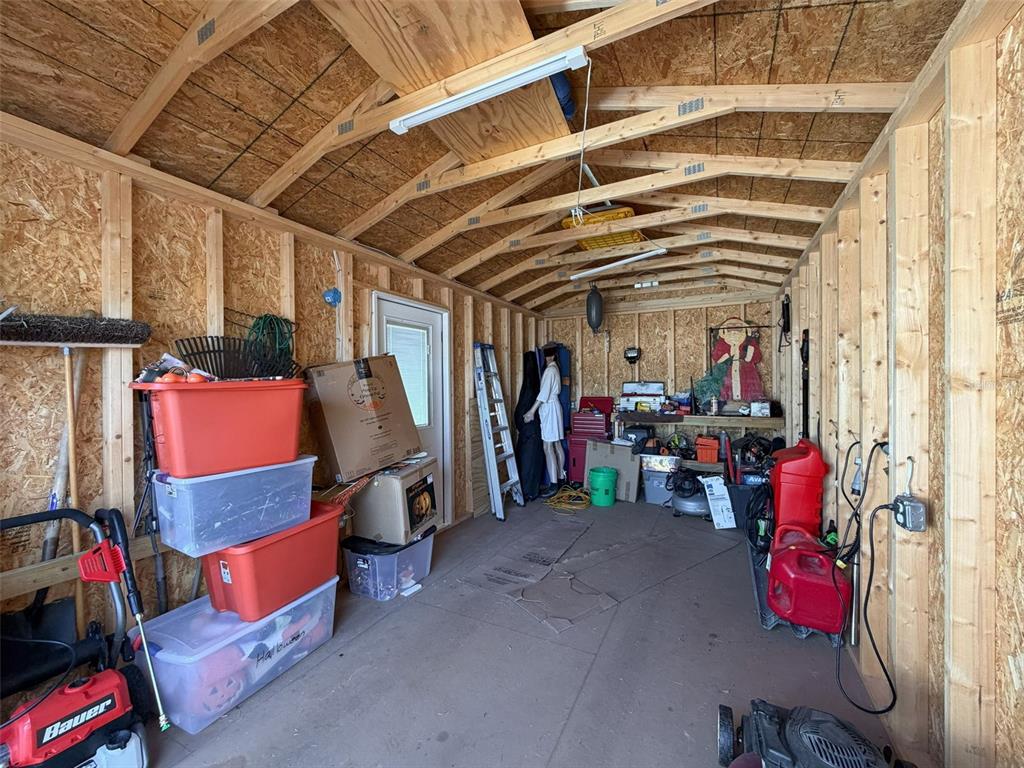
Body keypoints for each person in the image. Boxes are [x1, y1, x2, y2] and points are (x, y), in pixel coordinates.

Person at [524, 344, 565, 498]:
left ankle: (553, 484)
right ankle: (560, 479)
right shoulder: (556, 369)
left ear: (552, 355)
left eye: (548, 354)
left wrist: (531, 412)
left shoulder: (549, 371)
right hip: (555, 408)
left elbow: (543, 395)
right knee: (557, 444)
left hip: (550, 409)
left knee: (548, 446)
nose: (546, 357)